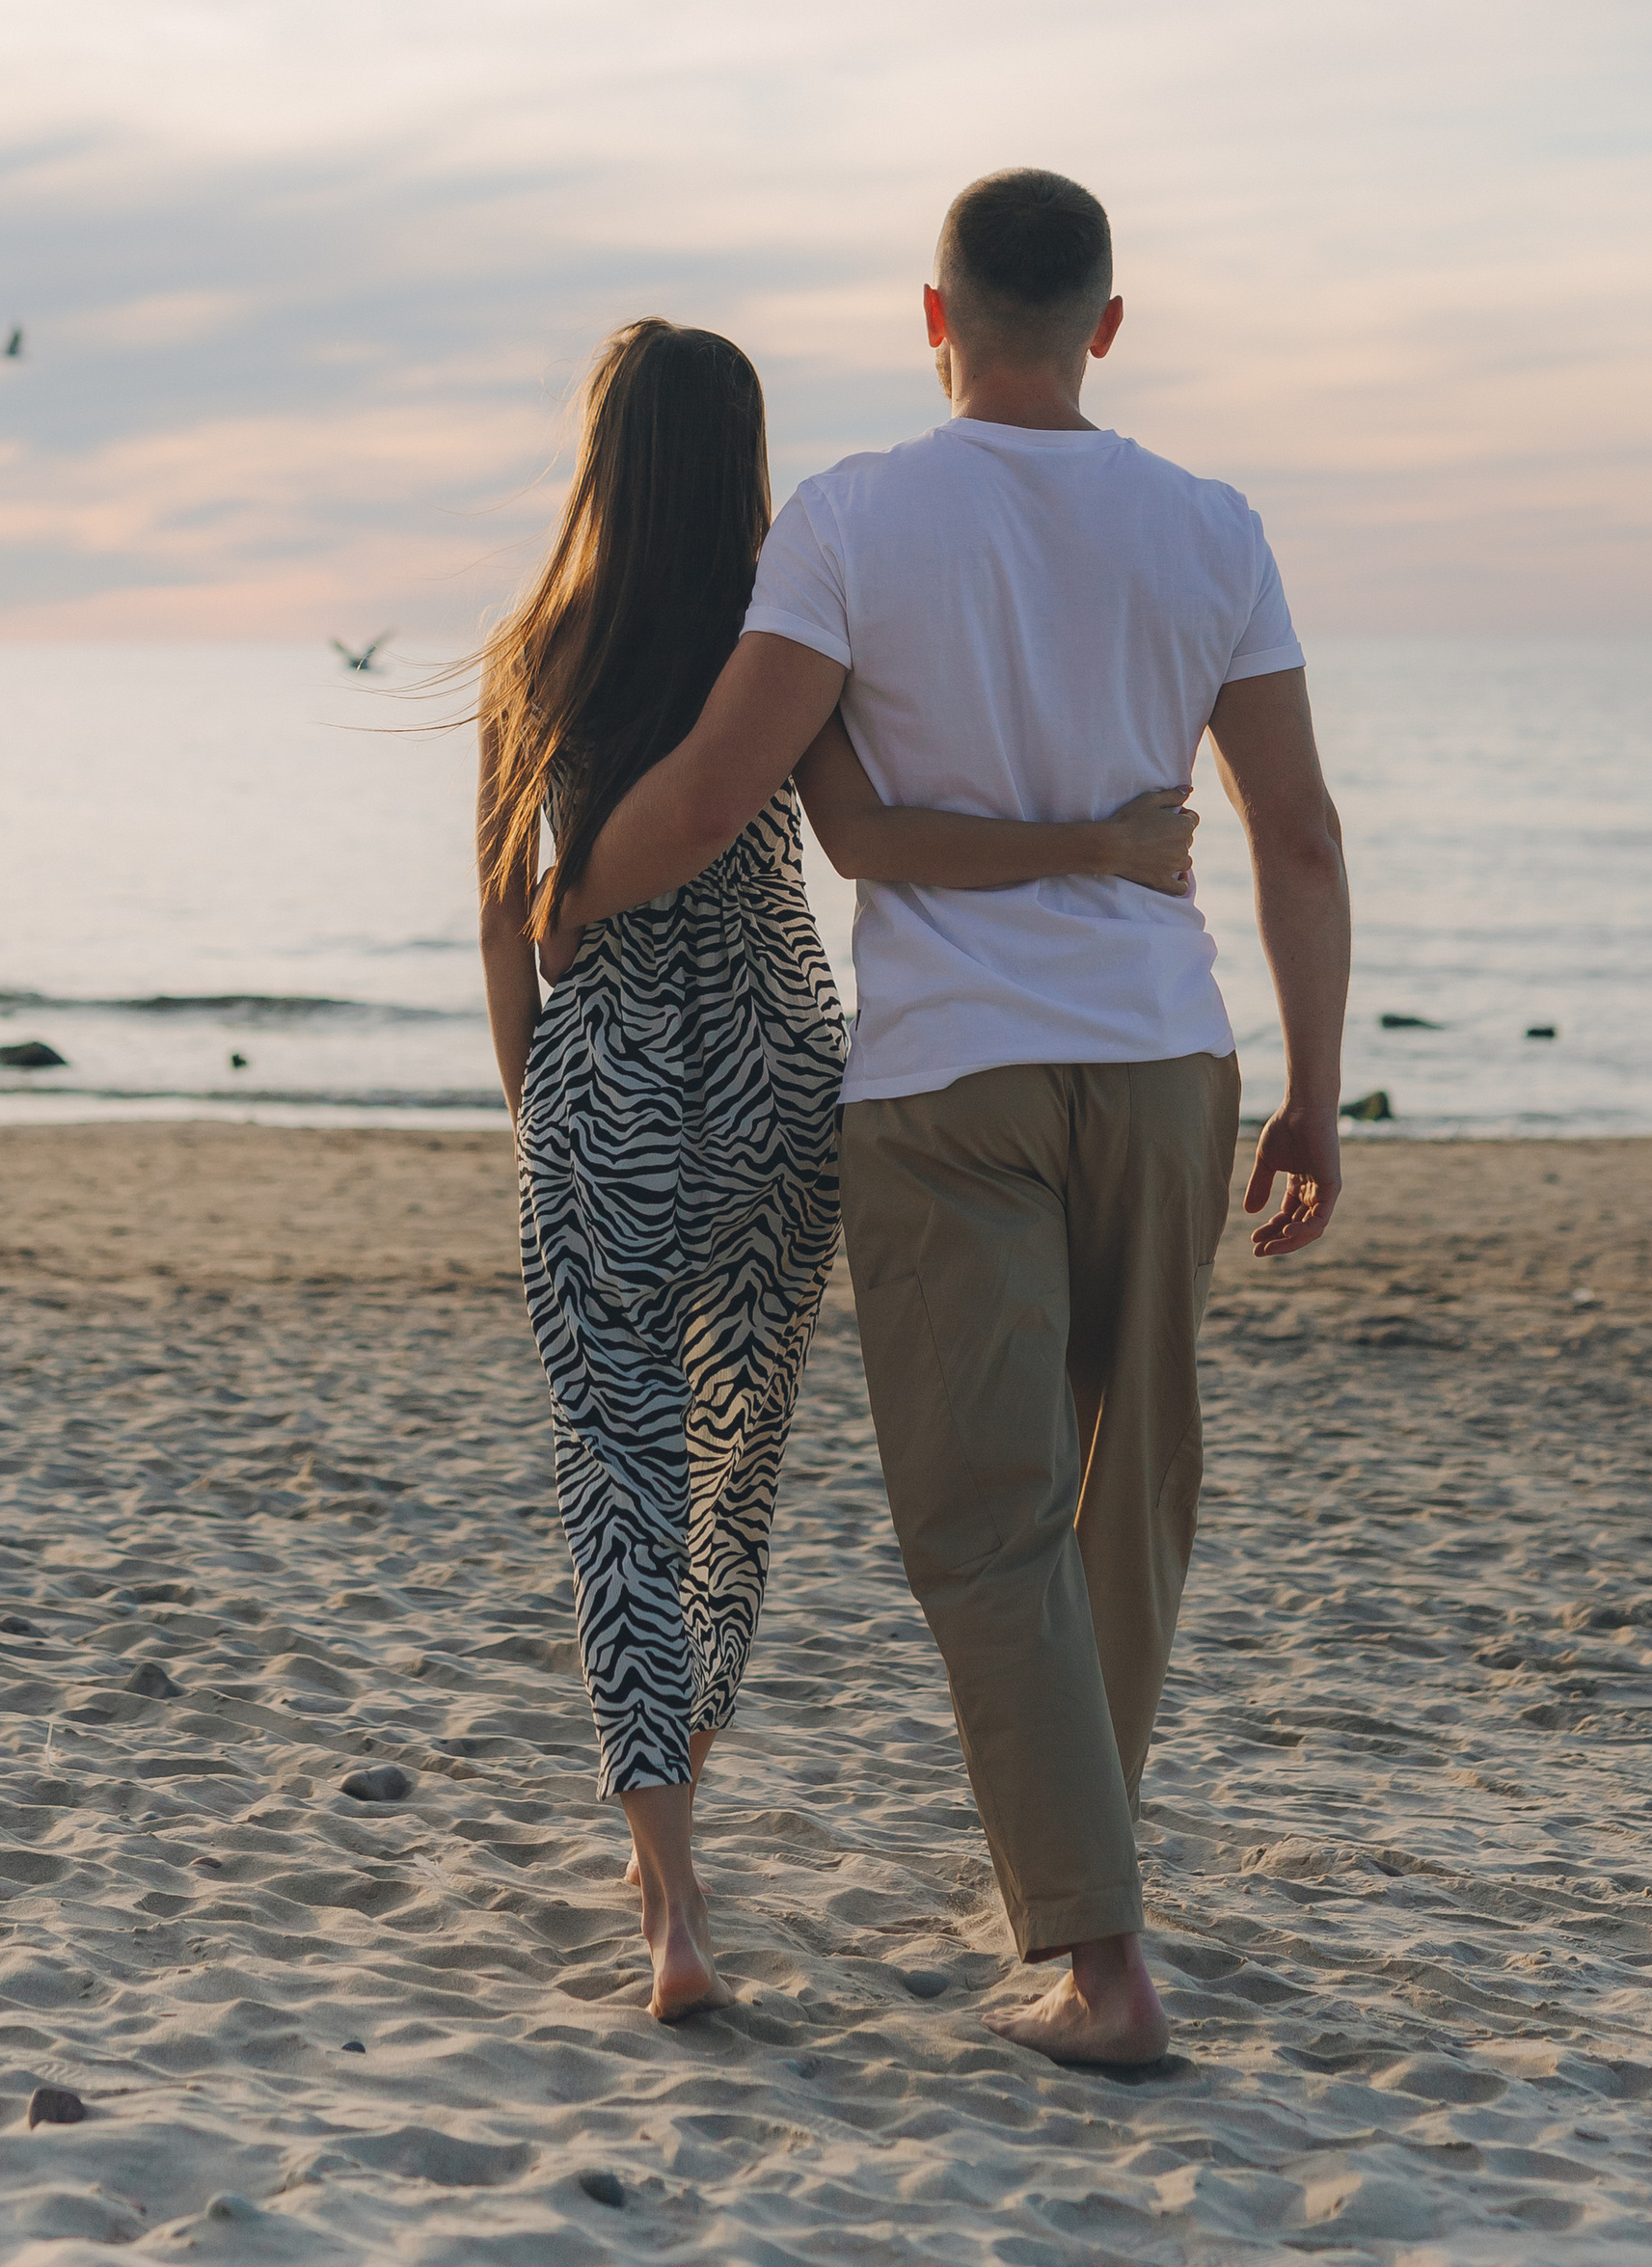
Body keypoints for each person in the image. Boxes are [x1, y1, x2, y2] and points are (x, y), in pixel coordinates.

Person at [547, 175, 1350, 2065]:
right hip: (1164, 1061)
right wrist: (1313, 1092)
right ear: (1105, 322)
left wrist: (568, 897)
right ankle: (1082, 1912)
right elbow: (1294, 833)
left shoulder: (852, 519)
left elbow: (716, 786)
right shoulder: (1210, 526)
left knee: (982, 1526)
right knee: (1124, 1494)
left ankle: (1098, 1960)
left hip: (946, 1084)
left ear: (934, 318)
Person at [475, 313, 1210, 2024]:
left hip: (608, 1098)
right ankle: (680, 1822)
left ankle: (671, 1906)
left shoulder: (534, 656)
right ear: (739, 460)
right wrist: (1103, 843)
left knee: (619, 1488)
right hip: (778, 1104)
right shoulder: (781, 629)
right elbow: (869, 843)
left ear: (599, 453)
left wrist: (551, 1126)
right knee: (730, 1479)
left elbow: (509, 939)